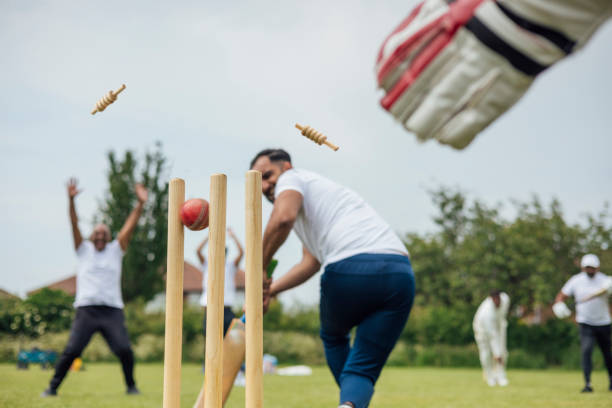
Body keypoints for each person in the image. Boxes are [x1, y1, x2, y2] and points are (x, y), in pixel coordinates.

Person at [250, 149, 415, 408]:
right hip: (398, 274)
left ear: (286, 167)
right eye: (258, 182)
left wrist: (258, 267)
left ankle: (351, 398)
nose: (265, 185)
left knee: (335, 337)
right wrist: (272, 290)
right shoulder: (320, 202)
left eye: (267, 175)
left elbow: (282, 219)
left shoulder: (292, 179)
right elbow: (310, 262)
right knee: (362, 368)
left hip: (349, 268)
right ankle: (349, 404)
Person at [42, 178, 147, 397]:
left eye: (104, 234)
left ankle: (131, 386)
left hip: (112, 311)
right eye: (97, 233)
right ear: (92, 236)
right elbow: (74, 224)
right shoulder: (83, 250)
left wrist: (140, 204)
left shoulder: (116, 250)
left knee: (125, 350)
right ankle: (52, 388)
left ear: (109, 238)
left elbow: (129, 227)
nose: (100, 236)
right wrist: (71, 201)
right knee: (72, 350)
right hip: (87, 310)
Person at [553, 253, 612, 393]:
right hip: (585, 323)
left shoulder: (605, 280)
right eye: (587, 268)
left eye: (592, 268)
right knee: (586, 351)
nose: (590, 270)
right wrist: (559, 305)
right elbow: (561, 296)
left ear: (597, 268)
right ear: (583, 268)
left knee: (607, 354)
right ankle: (588, 383)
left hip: (603, 322)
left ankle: (611, 380)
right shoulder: (576, 281)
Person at [197, 227, 244, 337]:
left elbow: (241, 252)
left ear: (226, 254)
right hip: (210, 310)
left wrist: (233, 237)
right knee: (210, 341)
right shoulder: (207, 265)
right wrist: (209, 236)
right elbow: (198, 250)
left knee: (233, 339)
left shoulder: (230, 266)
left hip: (226, 309)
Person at [473, 290, 510, 387]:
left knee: (503, 353)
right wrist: (497, 354)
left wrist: (499, 353)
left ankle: (500, 376)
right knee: (486, 354)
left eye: (498, 299)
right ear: (491, 299)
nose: (497, 301)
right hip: (481, 330)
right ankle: (489, 377)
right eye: (495, 300)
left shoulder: (505, 299)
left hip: (498, 327)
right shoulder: (486, 313)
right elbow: (492, 337)